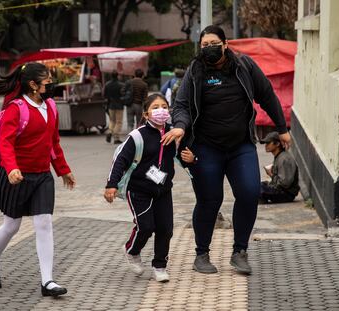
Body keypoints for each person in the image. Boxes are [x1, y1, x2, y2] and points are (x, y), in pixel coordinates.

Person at [161, 25, 292, 275]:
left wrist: (281, 127)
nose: (208, 48)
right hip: (206, 147)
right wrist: (179, 127)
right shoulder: (195, 71)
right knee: (210, 200)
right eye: (204, 45)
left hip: (240, 145)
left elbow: (266, 94)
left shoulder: (244, 66)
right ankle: (202, 254)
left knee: (249, 193)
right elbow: (182, 105)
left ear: (225, 44)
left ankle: (239, 252)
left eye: (213, 43)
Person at [0, 62, 76, 296]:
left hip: (43, 176)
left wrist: (63, 170)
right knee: (11, 226)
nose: (51, 85)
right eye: (47, 82)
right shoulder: (17, 108)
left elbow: (53, 143)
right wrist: (12, 168)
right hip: (17, 176)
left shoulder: (51, 107)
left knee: (44, 224)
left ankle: (48, 281)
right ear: (33, 85)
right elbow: (5, 142)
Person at [104, 94, 193, 282]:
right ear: (146, 113)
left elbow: (185, 156)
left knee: (165, 229)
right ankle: (132, 250)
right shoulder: (137, 136)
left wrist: (192, 160)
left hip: (163, 190)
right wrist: (111, 185)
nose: (160, 110)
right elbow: (120, 160)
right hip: (138, 190)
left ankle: (160, 266)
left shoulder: (174, 133)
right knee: (145, 227)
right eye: (155, 107)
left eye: (164, 106)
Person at [260, 132, 300, 203]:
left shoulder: (284, 159)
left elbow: (284, 183)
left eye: (268, 143)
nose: (266, 146)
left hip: (286, 194)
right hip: (281, 189)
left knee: (258, 189)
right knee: (255, 185)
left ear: (277, 144)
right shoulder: (279, 156)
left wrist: (271, 174)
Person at [104, 71, 125, 144]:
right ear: (117, 76)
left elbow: (105, 95)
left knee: (112, 121)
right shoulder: (121, 85)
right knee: (119, 122)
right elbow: (123, 94)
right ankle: (116, 137)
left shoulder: (107, 84)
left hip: (111, 105)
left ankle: (110, 132)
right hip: (119, 105)